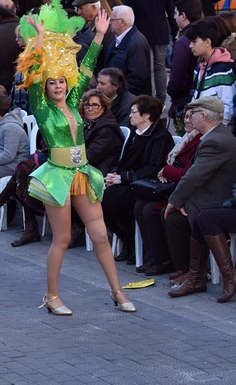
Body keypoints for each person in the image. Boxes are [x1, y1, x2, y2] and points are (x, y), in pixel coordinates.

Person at [16, 0, 137, 314]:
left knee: (100, 235)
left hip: (82, 173)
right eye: (52, 82)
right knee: (63, 238)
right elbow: (37, 76)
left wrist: (99, 35)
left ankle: (118, 291)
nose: (57, 85)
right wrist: (39, 42)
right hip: (57, 177)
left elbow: (86, 68)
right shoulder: (42, 108)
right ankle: (52, 296)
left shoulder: (73, 102)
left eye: (61, 81)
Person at [165, 97, 236, 298]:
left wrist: (175, 200)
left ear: (203, 115)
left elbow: (194, 176)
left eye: (193, 114)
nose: (188, 118)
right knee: (171, 214)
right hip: (215, 195)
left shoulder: (216, 140)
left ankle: (196, 276)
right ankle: (192, 274)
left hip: (220, 199)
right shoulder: (216, 136)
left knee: (190, 215)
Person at [101, 95, 175, 261]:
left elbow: (153, 168)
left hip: (146, 184)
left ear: (147, 115)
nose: (130, 115)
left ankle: (134, 245)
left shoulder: (160, 137)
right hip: (130, 180)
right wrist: (115, 174)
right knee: (102, 197)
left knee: (114, 200)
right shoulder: (136, 133)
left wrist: (123, 178)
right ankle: (126, 240)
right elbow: (124, 161)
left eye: (134, 112)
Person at [135, 108, 202, 276]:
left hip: (187, 191)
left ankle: (177, 264)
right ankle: (155, 257)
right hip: (172, 186)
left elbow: (187, 172)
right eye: (185, 116)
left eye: (190, 117)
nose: (187, 120)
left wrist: (166, 171)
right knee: (140, 204)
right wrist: (167, 171)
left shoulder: (200, 140)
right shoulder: (186, 139)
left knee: (154, 210)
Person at [122, 0, 176, 101]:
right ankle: (161, 98)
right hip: (160, 32)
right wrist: (175, 33)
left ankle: (147, 99)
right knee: (159, 67)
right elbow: (171, 14)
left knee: (147, 68)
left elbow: (128, 14)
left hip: (140, 34)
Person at [185, 19, 234, 126]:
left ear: (207, 42)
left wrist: (213, 129)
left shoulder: (222, 71)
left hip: (213, 131)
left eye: (194, 42)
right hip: (200, 128)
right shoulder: (199, 68)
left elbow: (228, 108)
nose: (190, 46)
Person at [100, 6, 153, 97]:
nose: (109, 23)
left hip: (129, 102)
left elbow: (137, 79)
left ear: (122, 22)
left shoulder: (136, 44)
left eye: (112, 20)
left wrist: (115, 93)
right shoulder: (118, 39)